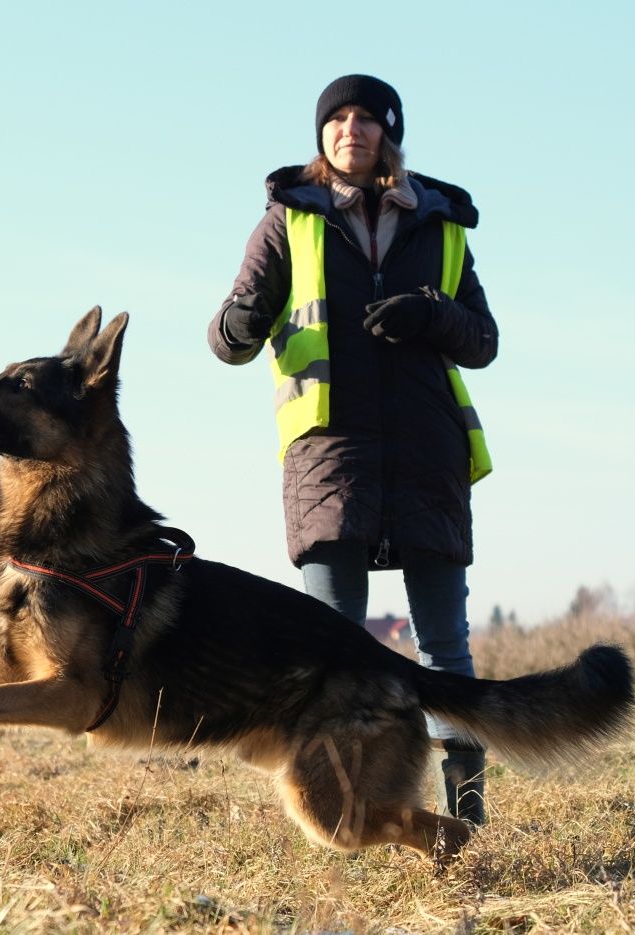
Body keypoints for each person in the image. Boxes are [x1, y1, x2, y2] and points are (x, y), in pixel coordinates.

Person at [206, 74, 497, 825]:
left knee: (445, 652)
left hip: (429, 457)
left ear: (389, 134)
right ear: (321, 135)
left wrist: (431, 315)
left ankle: (464, 817)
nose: (350, 129)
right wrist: (238, 324)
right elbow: (229, 335)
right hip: (329, 459)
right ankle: (348, 814)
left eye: (367, 118)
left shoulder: (441, 222)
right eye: (336, 117)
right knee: (331, 655)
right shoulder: (286, 219)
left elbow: (484, 341)